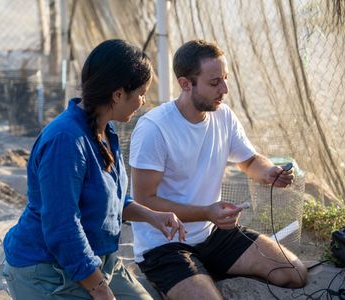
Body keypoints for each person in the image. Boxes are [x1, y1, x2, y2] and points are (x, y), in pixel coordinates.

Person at [2, 39, 186, 300]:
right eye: (142, 93)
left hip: (99, 261)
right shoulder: (65, 141)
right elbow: (62, 225)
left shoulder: (104, 130)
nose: (143, 101)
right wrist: (99, 288)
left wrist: (152, 216)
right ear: (119, 94)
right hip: (49, 270)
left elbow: (111, 200)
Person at [129, 39, 308, 299]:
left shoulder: (223, 115)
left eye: (225, 78)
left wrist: (270, 172)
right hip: (165, 246)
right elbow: (145, 201)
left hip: (212, 235)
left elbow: (248, 160)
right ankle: (187, 279)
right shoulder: (154, 128)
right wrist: (207, 212)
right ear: (185, 84)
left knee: (294, 273)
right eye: (214, 83)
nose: (224, 89)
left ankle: (202, 273)